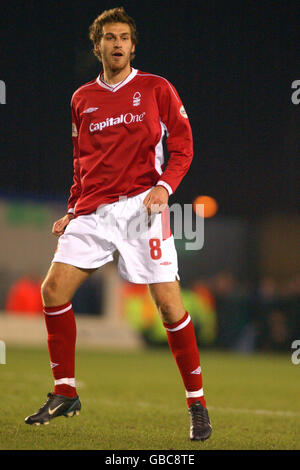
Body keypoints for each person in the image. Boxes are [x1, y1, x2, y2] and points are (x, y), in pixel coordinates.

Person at [24, 7, 212, 441]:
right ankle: (65, 392)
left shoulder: (155, 88)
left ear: (132, 44)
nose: (117, 44)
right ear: (98, 46)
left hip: (142, 209)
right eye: (109, 37)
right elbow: (81, 163)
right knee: (52, 290)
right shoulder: (81, 99)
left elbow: (183, 147)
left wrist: (164, 187)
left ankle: (197, 404)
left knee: (168, 306)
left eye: (124, 37)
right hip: (93, 211)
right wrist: (73, 209)